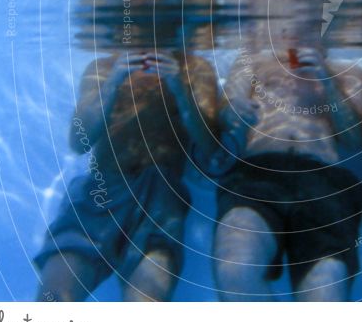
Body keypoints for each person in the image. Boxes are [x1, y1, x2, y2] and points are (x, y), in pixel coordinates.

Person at [35, 50, 222, 301]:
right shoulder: (103, 67)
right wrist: (113, 83)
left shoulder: (194, 68)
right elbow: (79, 142)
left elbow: (210, 150)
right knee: (53, 298)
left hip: (161, 192)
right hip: (101, 186)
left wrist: (180, 91)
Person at [212, 46, 362, 301]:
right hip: (256, 174)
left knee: (326, 293)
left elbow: (354, 139)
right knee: (235, 272)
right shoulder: (250, 61)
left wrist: (327, 82)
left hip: (324, 180)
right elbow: (225, 125)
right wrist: (234, 113)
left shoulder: (348, 73)